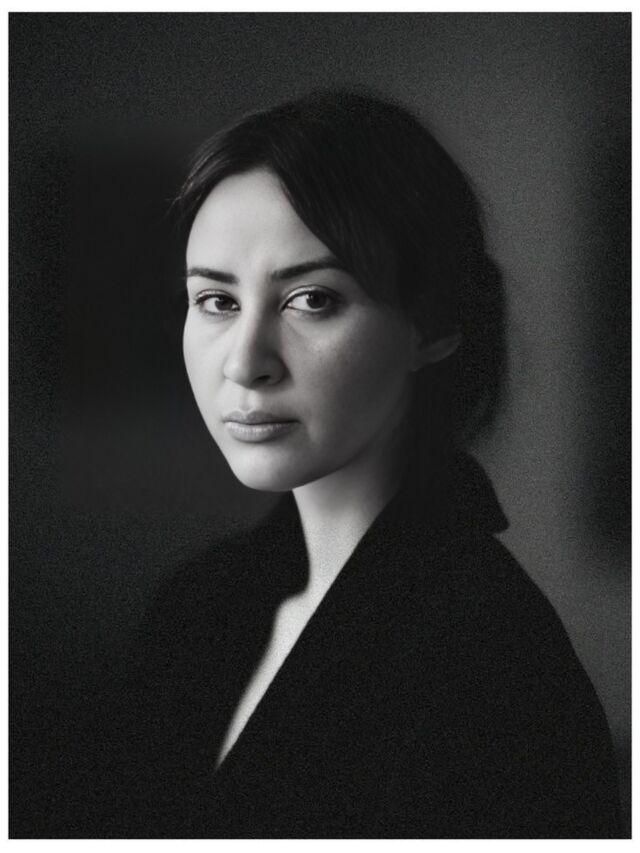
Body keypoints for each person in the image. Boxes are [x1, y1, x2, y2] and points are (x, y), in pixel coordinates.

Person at [53, 90, 622, 838]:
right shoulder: (194, 610)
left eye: (312, 299)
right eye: (216, 300)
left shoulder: (493, 662)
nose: (246, 363)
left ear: (434, 323)